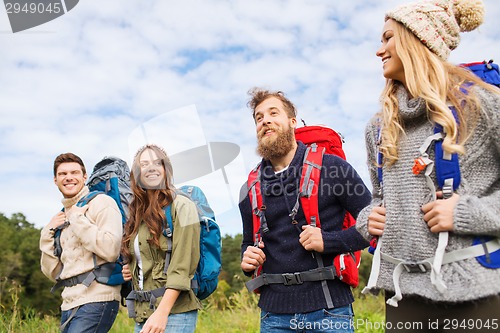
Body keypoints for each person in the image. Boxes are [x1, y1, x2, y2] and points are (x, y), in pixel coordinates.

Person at [356, 0, 500, 331]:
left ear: (418, 38)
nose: (379, 51)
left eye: (388, 38)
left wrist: (466, 213)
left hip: (477, 297)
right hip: (403, 298)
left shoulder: (483, 104)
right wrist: (370, 218)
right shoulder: (378, 127)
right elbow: (379, 197)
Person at [239, 88, 371, 333]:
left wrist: (330, 241)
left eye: (273, 113)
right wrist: (246, 261)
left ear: (292, 122)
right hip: (272, 316)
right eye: (259, 117)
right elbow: (248, 242)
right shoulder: (249, 188)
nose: (265, 120)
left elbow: (373, 223)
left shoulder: (333, 168)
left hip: (329, 311)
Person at [121, 144, 201, 333]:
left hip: (173, 314)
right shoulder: (137, 214)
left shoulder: (183, 206)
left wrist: (162, 313)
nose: (151, 167)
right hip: (143, 313)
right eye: (144, 163)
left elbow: (182, 266)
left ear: (166, 170)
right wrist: (132, 267)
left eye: (158, 162)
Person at [40, 153, 122, 333]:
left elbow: (111, 250)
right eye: (62, 174)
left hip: (98, 298)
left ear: (84, 177)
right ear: (55, 180)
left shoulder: (102, 202)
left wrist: (77, 219)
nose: (68, 177)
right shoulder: (61, 216)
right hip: (69, 302)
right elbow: (53, 273)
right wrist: (47, 233)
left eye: (74, 172)